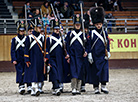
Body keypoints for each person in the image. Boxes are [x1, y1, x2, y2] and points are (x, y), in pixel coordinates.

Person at [88, 7, 111, 94]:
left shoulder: (104, 33)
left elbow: (107, 43)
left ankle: (103, 86)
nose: (98, 25)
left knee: (104, 71)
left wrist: (108, 51)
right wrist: (89, 53)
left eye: (100, 24)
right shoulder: (91, 33)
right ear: (94, 24)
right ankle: (96, 87)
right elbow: (89, 44)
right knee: (95, 72)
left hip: (102, 55)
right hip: (94, 55)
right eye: (97, 24)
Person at [46, 18, 69, 96]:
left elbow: (64, 49)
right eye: (55, 29)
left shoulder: (62, 39)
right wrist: (47, 60)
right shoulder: (49, 39)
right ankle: (56, 87)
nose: (57, 30)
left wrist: (66, 55)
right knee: (54, 73)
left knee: (59, 73)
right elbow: (47, 50)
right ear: (53, 29)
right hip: (52, 59)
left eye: (58, 29)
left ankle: (57, 86)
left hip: (60, 59)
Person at [66, 14, 88, 95]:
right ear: (74, 25)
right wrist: (68, 54)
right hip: (72, 56)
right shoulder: (70, 34)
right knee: (73, 72)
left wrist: (86, 51)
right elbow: (67, 45)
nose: (78, 26)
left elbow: (87, 45)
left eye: (79, 25)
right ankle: (73, 88)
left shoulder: (83, 35)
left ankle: (78, 88)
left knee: (80, 72)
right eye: (76, 25)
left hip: (80, 56)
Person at [24, 19, 45, 96]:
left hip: (40, 58)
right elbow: (26, 49)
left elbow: (44, 49)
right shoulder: (29, 37)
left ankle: (39, 87)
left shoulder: (42, 37)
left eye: (40, 27)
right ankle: (34, 88)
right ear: (35, 28)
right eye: (38, 27)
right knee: (33, 73)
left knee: (39, 72)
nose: (40, 29)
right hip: (32, 58)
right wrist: (26, 59)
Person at [11, 21, 32, 95]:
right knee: (20, 72)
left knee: (27, 71)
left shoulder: (27, 38)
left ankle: (29, 85)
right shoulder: (14, 39)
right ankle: (21, 85)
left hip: (25, 58)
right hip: (18, 59)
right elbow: (12, 50)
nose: (22, 32)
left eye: (23, 31)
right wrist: (13, 59)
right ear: (18, 31)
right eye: (21, 31)